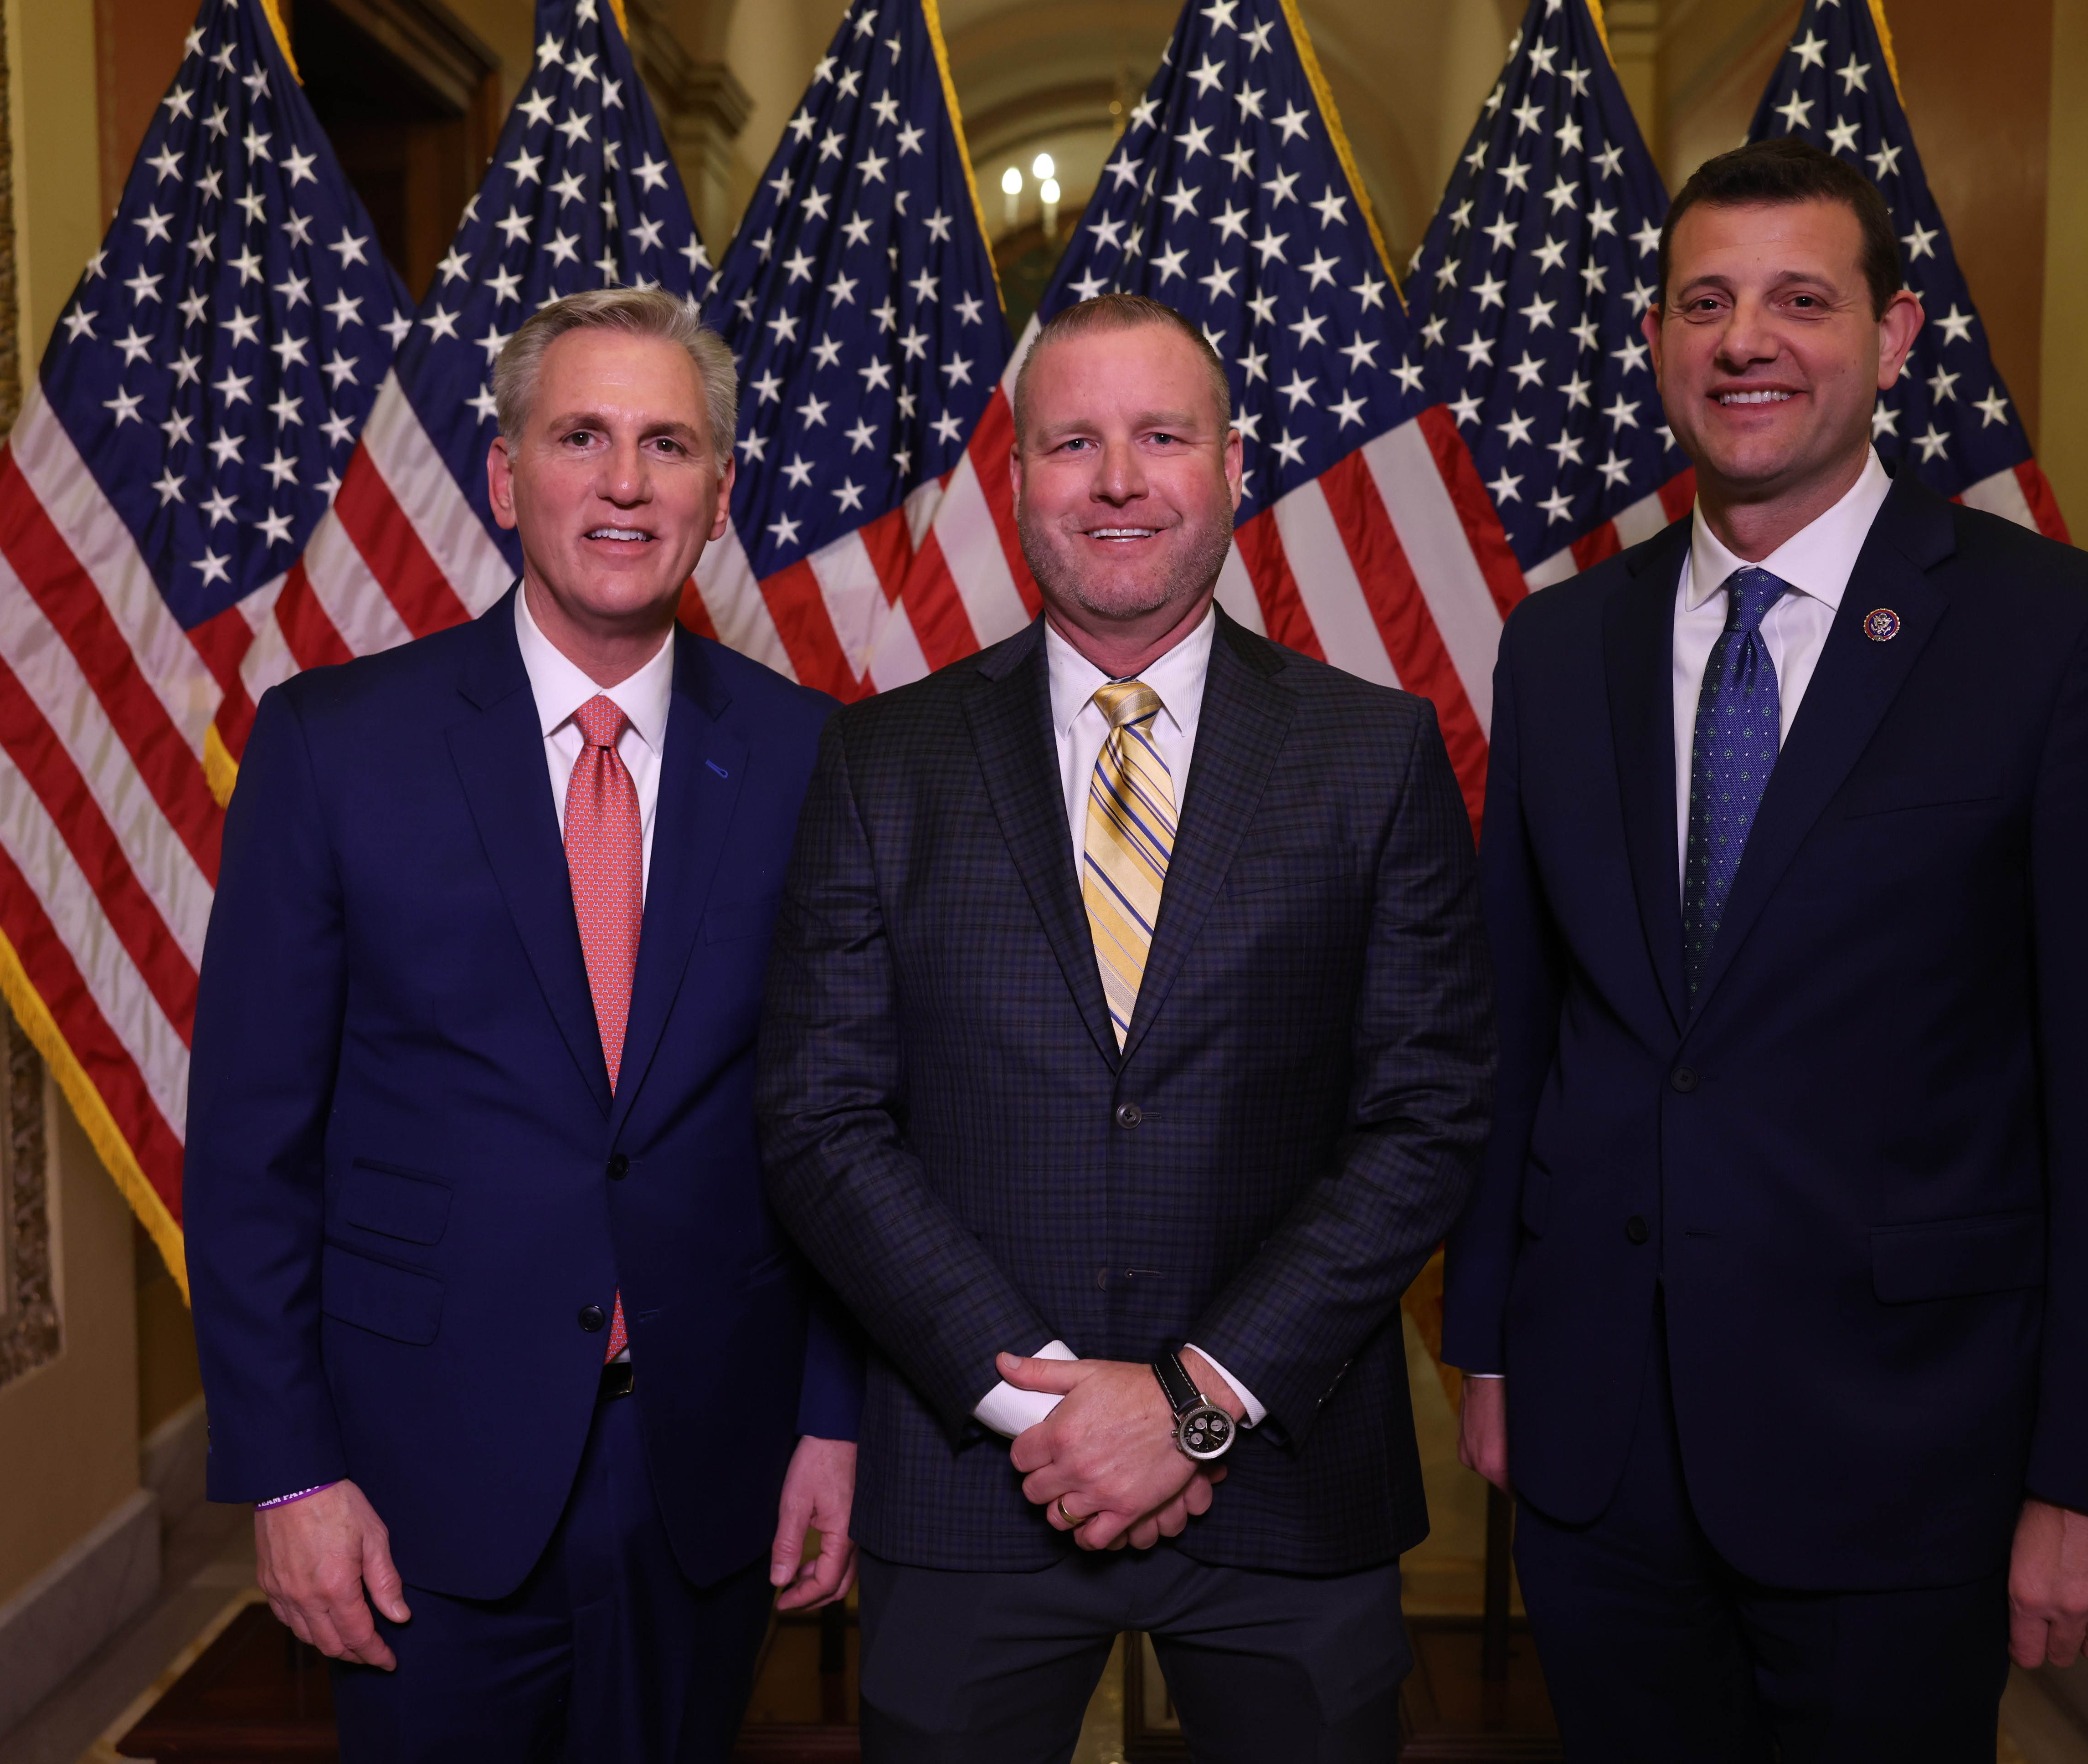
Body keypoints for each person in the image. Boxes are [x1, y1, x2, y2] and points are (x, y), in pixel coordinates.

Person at [1444, 138, 2088, 1757]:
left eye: (1803, 300)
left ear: (1895, 338)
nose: (1747, 341)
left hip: (1905, 1455)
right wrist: (1490, 1345)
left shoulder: (2062, 639)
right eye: (1706, 303)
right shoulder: (1561, 644)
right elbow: (1516, 1025)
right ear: (1659, 343)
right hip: (1600, 1453)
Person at [755, 292, 1493, 1763]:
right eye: (1071, 441)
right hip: (978, 1481)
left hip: (1282, 1471)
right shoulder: (879, 758)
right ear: (1016, 479)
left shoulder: (1375, 750)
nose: (1116, 479)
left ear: (1234, 464)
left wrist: (1195, 1402)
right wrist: (1035, 1406)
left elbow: (1426, 1116)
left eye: (1162, 436)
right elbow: (821, 1117)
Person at [186, 286, 861, 1763]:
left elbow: (846, 1135)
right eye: (581, 438)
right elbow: (250, 1151)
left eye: (668, 445)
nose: (625, 483)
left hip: (711, 1463)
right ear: (504, 476)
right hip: (418, 1473)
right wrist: (290, 1474)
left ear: (717, 490)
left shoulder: (821, 759)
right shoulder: (331, 747)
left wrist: (835, 1421)